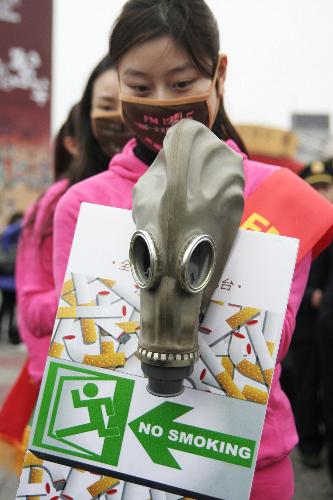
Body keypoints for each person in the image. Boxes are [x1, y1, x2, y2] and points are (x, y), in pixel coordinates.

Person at [52, 2, 333, 498]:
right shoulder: (84, 203)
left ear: (218, 74)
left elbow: (271, 343)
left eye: (181, 84)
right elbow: (79, 344)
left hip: (245, 461)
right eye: (139, 87)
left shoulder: (279, 196)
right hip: (118, 459)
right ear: (117, 82)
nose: (161, 103)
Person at [0, 54, 131, 473]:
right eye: (107, 105)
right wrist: (86, 298)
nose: (122, 119)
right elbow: (32, 305)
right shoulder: (60, 201)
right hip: (76, 384)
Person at [296, 159, 333, 487]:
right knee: (304, 386)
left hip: (327, 322)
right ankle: (309, 443)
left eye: (325, 186)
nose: (321, 192)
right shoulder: (299, 224)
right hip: (303, 322)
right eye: (315, 187)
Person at [0, 212, 22, 344]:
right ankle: (6, 332)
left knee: (11, 309)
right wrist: (22, 223)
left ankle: (10, 333)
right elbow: (8, 233)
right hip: (6, 282)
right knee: (5, 307)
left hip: (15, 282)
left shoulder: (20, 241)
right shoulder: (7, 237)